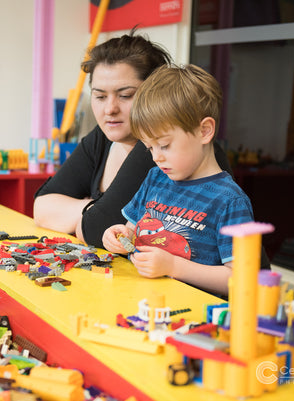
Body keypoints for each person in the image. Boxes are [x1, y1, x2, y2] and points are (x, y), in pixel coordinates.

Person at [33, 30, 232, 248]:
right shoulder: (103, 137)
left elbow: (97, 229)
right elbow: (41, 207)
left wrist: (87, 215)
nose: (110, 109)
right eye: (100, 96)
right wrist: (94, 209)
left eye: (126, 95)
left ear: (153, 94)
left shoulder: (162, 151)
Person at [102, 64, 255, 296]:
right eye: (149, 147)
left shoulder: (229, 201)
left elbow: (241, 279)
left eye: (164, 145)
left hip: (192, 317)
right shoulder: (155, 179)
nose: (156, 157)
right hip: (141, 302)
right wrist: (119, 236)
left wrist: (173, 267)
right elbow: (133, 232)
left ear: (204, 131)